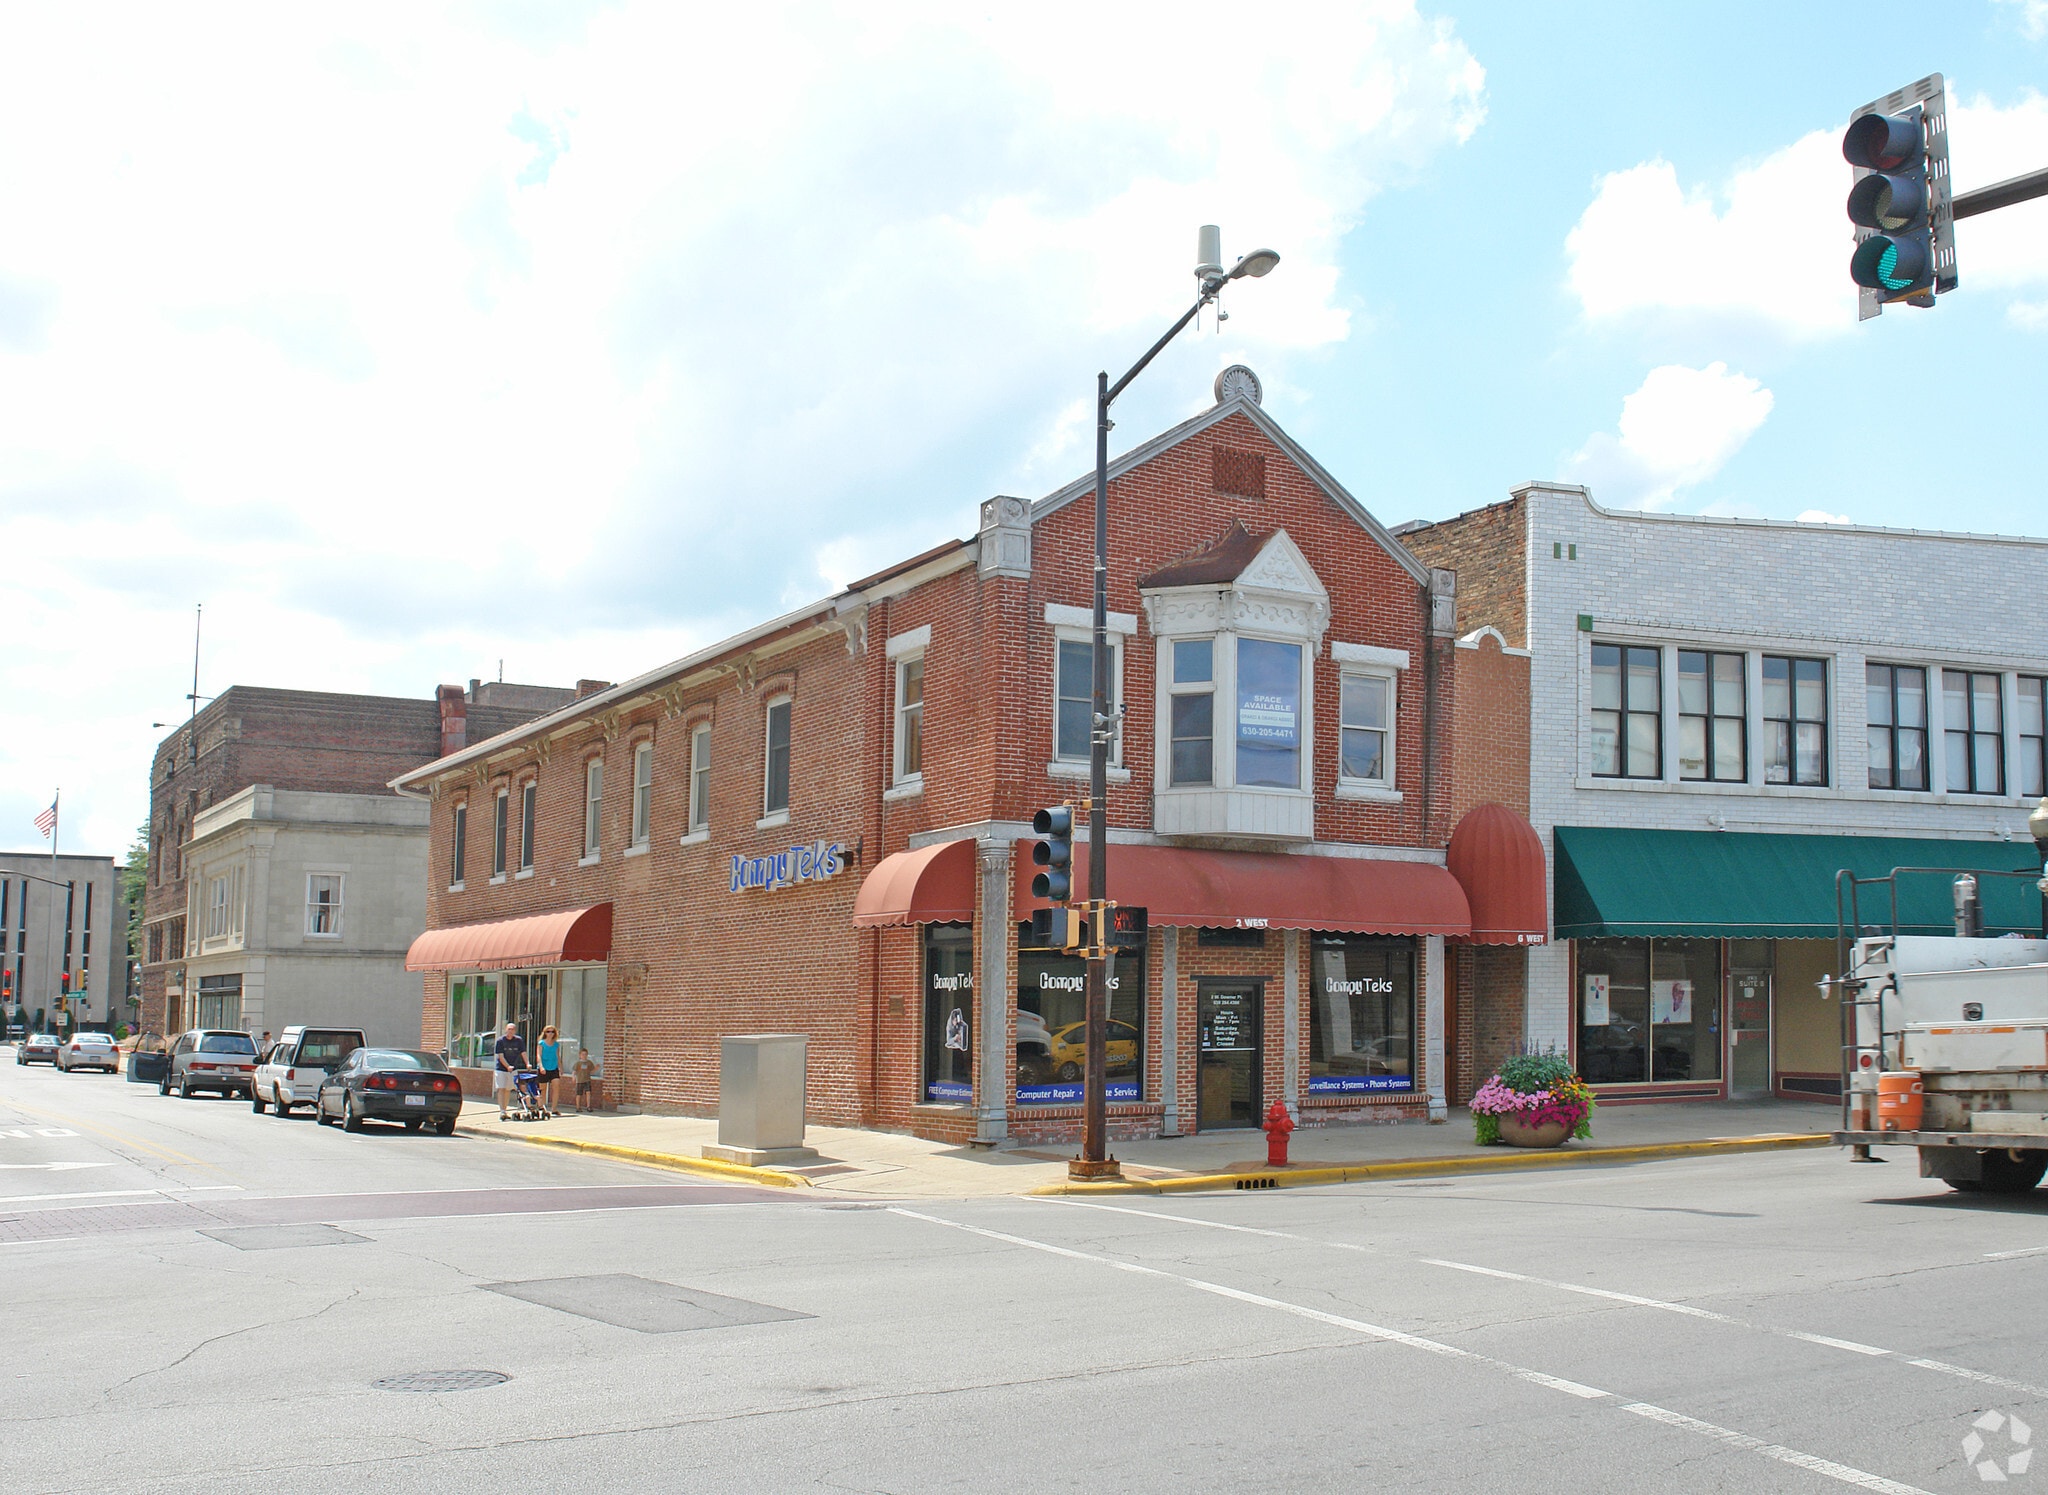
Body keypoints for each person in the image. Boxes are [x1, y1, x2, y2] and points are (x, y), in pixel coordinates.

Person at [493, 1021, 527, 1119]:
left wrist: (527, 1063)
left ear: (515, 1031)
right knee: (501, 1089)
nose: (510, 1031)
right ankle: (502, 1111)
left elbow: (523, 1053)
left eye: (512, 1029)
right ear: (505, 1030)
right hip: (501, 1069)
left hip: (513, 1069)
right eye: (509, 1029)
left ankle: (505, 1110)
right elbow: (501, 1056)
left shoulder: (518, 1040)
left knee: (508, 1089)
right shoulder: (500, 1041)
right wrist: (507, 1066)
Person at [536, 1025, 561, 1114]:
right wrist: (541, 1066)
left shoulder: (556, 1044)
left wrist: (560, 1067)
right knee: (543, 1088)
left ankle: (554, 1109)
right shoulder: (541, 1043)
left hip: (554, 1067)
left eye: (552, 1032)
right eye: (548, 1031)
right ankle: (542, 1107)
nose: (550, 1033)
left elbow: (558, 1056)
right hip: (544, 1067)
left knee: (556, 1086)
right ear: (545, 1033)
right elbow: (539, 1055)